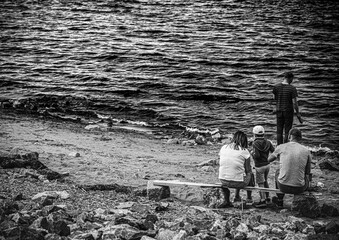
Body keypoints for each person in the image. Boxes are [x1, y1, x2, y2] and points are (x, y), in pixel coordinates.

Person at [268, 128, 311, 208]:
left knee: (278, 171)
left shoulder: (281, 147)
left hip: (283, 186)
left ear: (289, 136)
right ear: (300, 138)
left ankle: (280, 201)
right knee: (304, 174)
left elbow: (269, 159)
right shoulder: (306, 150)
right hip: (300, 188)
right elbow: (308, 172)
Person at [218, 130, 254, 208]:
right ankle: (249, 198)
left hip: (223, 180)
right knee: (250, 174)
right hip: (238, 183)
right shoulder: (244, 151)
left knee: (236, 171)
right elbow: (248, 170)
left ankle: (228, 200)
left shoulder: (224, 147)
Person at [273, 71, 302, 145]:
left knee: (279, 131)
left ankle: (279, 147)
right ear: (290, 78)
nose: (292, 81)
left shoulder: (276, 87)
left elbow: (274, 98)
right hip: (288, 112)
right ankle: (285, 147)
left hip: (279, 110)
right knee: (287, 131)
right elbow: (295, 102)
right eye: (292, 79)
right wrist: (298, 114)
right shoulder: (292, 88)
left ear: (284, 77)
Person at [250, 126, 275, 208]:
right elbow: (274, 152)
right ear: (263, 134)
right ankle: (267, 197)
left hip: (259, 166)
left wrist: (252, 154)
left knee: (260, 183)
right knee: (265, 181)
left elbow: (256, 155)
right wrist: (269, 159)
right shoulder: (268, 142)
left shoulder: (255, 143)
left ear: (254, 134)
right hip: (267, 165)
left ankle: (262, 200)